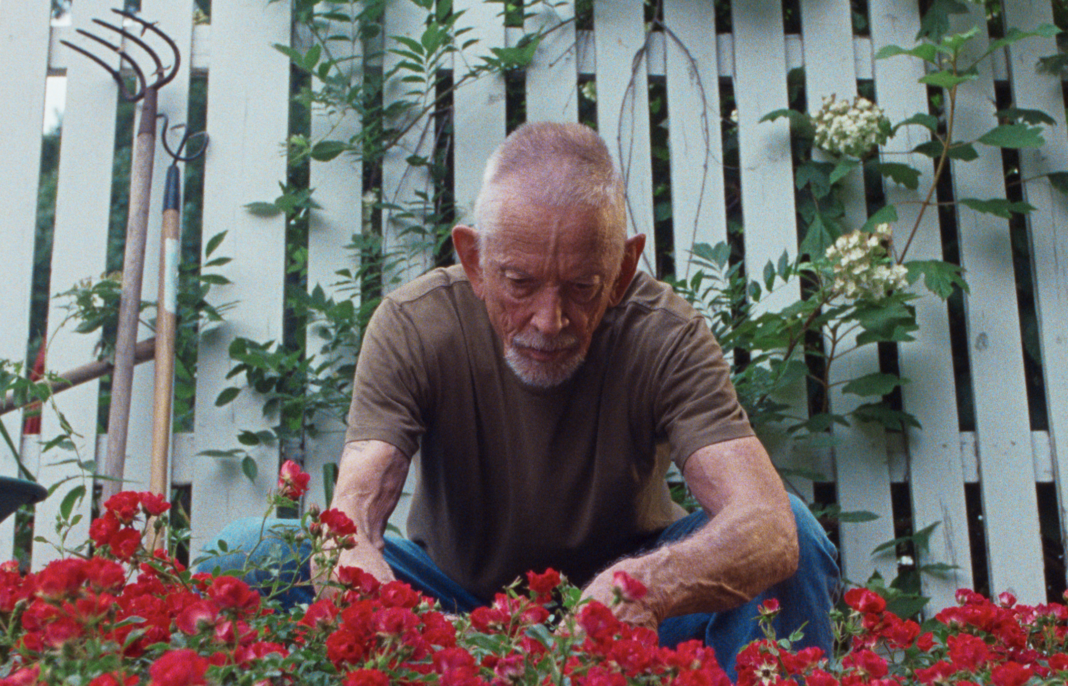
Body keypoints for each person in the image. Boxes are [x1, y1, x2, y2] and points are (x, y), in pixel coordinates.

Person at [201, 122, 839, 675]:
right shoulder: (414, 323)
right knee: (252, 553)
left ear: (622, 269)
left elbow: (767, 526)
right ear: (474, 260)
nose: (548, 320)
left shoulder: (665, 333)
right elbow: (353, 521)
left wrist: (640, 588)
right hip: (448, 605)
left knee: (796, 540)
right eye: (519, 283)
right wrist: (401, 629)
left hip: (637, 617)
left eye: (583, 287)